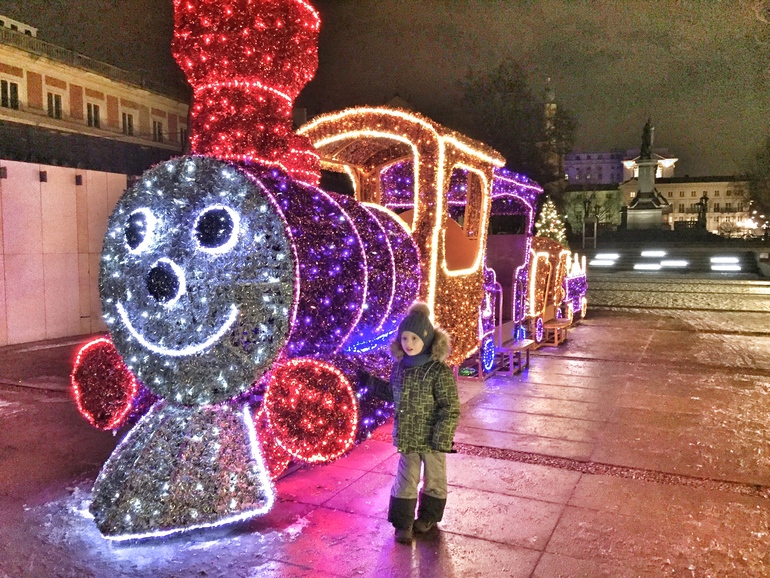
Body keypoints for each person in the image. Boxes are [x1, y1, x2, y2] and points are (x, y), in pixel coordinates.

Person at [366, 302, 461, 544]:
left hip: (432, 439)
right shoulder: (400, 368)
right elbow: (394, 393)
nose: (408, 343)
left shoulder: (438, 371)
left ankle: (428, 517)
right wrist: (371, 383)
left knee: (434, 479)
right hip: (408, 436)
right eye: (405, 338)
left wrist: (442, 436)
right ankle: (403, 523)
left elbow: (450, 407)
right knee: (406, 479)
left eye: (414, 338)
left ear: (426, 339)